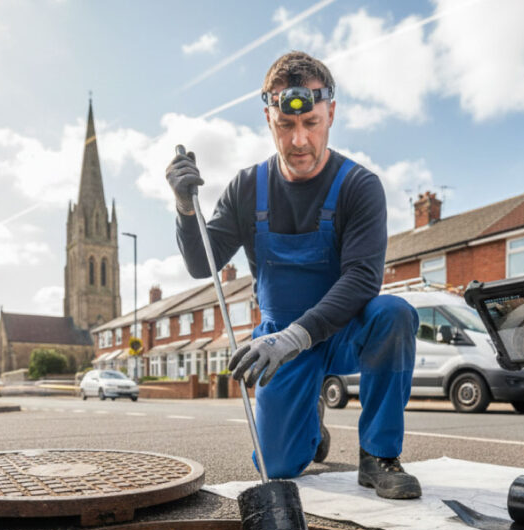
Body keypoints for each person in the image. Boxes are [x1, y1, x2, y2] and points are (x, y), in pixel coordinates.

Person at [165, 51, 421, 499]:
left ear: (331, 114)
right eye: (286, 126)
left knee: (394, 314)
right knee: (279, 466)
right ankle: (310, 424)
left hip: (344, 331)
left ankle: (378, 456)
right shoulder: (248, 187)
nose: (299, 140)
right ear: (269, 119)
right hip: (279, 343)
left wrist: (298, 336)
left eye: (312, 124)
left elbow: (362, 279)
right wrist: (185, 208)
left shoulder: (359, 186)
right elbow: (201, 264)